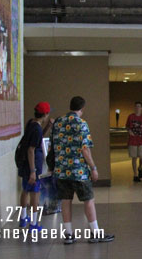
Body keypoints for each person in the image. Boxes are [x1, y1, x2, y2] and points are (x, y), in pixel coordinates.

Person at [52, 96, 115, 244]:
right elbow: (85, 149)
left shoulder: (58, 122)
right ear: (82, 108)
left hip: (61, 169)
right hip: (78, 170)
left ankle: (68, 234)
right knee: (88, 200)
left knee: (66, 201)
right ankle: (95, 233)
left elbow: (53, 145)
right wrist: (93, 167)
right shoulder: (81, 123)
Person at [18, 102, 52, 233]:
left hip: (25, 164)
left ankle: (23, 218)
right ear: (45, 114)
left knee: (25, 190)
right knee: (35, 194)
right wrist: (33, 171)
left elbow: (36, 139)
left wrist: (47, 127)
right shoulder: (36, 128)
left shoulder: (31, 123)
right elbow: (31, 149)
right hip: (33, 166)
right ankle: (33, 224)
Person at [126, 101, 142, 182]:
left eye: (139, 106)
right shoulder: (131, 116)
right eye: (136, 106)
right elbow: (127, 126)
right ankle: (135, 174)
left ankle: (140, 167)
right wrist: (129, 131)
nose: (137, 108)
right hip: (132, 140)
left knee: (141, 156)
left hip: (141, 139)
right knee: (134, 157)